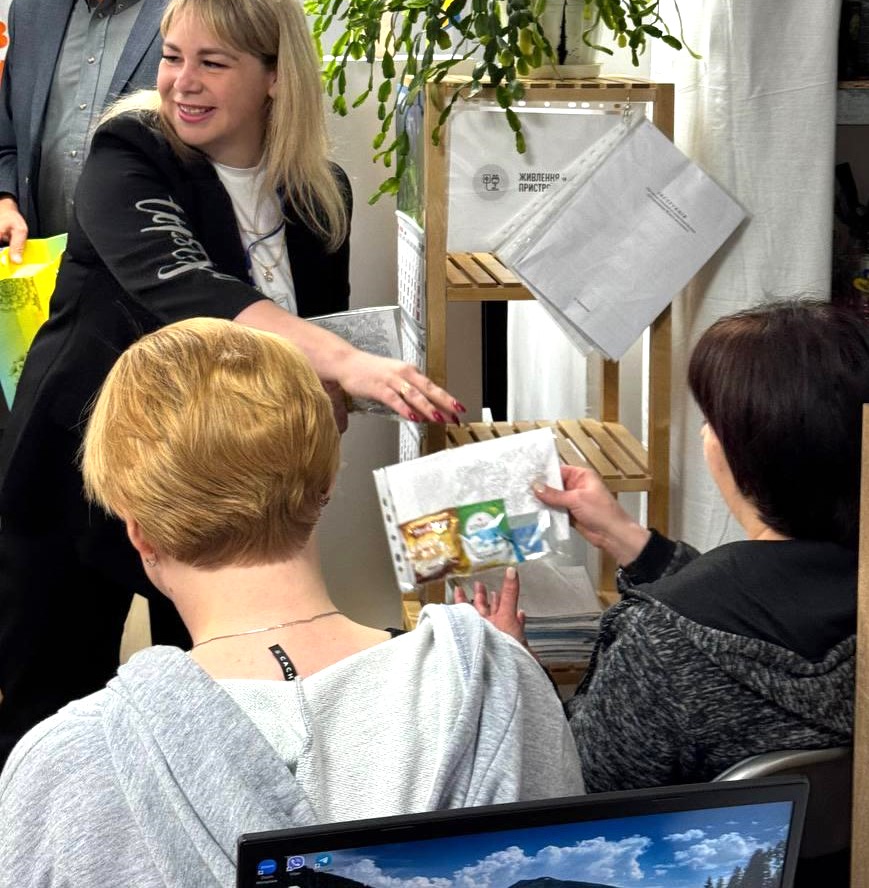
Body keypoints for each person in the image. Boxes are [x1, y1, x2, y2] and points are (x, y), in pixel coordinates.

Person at [0, 0, 461, 768]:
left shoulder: (318, 192)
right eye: (173, 57)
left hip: (223, 489)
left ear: (275, 76)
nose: (182, 83)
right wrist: (342, 361)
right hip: (78, 471)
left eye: (213, 63)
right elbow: (184, 284)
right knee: (52, 711)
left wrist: (333, 391)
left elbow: (310, 337)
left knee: (224, 713)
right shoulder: (129, 150)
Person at [0, 318, 583, 886]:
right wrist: (506, 675)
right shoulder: (501, 687)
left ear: (139, 533)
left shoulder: (62, 770)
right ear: (326, 484)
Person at [462, 300, 864, 793]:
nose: (705, 433)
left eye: (712, 421)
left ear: (742, 453)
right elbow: (755, 613)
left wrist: (515, 666)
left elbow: (570, 788)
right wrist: (630, 539)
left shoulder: (658, 646)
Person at [0, 0, 186, 256]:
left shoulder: (203, 16)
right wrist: (5, 200)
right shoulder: (32, 12)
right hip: (38, 271)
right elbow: (6, 140)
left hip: (156, 275)